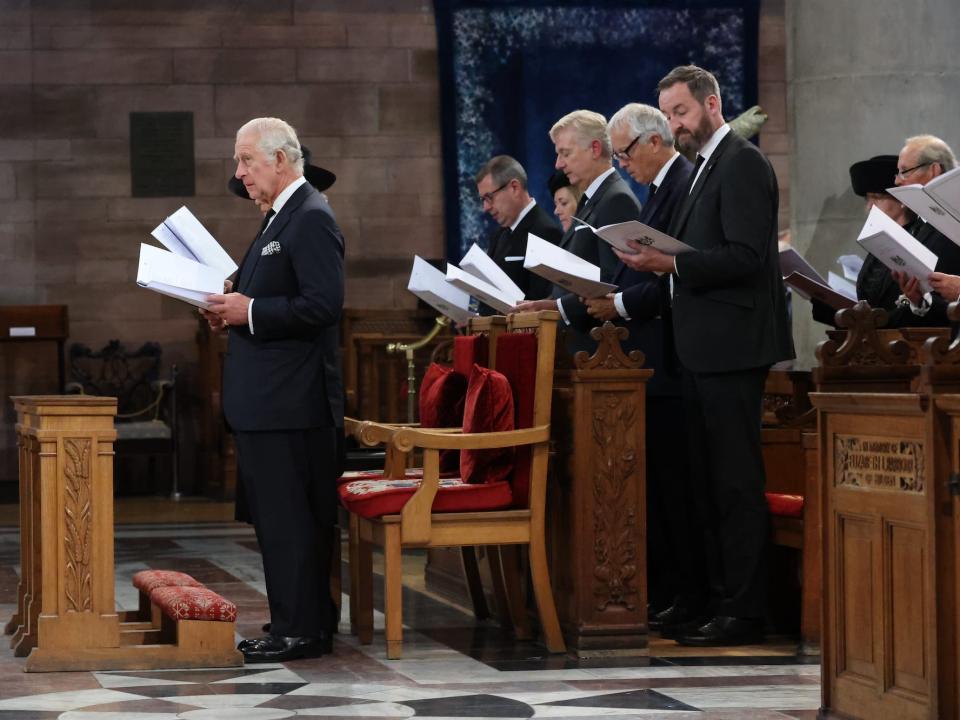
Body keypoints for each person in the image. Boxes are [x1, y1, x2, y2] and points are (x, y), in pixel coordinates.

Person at [617, 65, 794, 646]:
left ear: (712, 103)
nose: (675, 124)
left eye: (682, 112)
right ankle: (717, 601)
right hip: (703, 346)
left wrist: (672, 264)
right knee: (707, 483)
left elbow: (747, 255)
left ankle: (744, 610)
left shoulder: (741, 162)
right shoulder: (704, 168)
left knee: (735, 483)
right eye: (668, 115)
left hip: (732, 346)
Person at [201, 117, 345, 663]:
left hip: (293, 402)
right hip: (270, 402)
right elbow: (274, 294)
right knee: (277, 519)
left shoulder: (308, 216)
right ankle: (295, 617)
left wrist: (250, 310)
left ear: (280, 160)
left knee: (292, 520)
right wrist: (232, 308)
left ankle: (302, 630)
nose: (239, 174)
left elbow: (323, 306)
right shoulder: (278, 219)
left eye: (246, 162)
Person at [577, 102, 698, 623]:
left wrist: (620, 302)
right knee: (664, 489)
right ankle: (674, 592)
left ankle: (686, 594)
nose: (623, 163)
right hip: (654, 356)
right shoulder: (656, 190)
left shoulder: (680, 185)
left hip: (672, 355)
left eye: (625, 152)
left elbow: (674, 271)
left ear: (654, 142)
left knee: (678, 489)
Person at [515, 110, 642, 351]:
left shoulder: (616, 200)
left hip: (601, 353)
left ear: (594, 149)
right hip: (582, 347)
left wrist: (557, 308)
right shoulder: (593, 199)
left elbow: (614, 283)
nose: (558, 164)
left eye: (565, 153)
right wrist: (551, 303)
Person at [811, 154, 916, 326]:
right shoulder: (880, 244)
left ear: (901, 200)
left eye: (877, 197)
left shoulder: (919, 239)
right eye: (868, 199)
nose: (869, 207)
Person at [883, 136, 960, 323]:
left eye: (904, 172)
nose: (898, 181)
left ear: (934, 170)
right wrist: (919, 299)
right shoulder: (920, 223)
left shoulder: (952, 219)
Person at [474, 155, 562, 302]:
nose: (486, 207)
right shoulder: (499, 234)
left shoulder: (546, 232)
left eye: (489, 197)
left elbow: (542, 301)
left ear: (514, 188)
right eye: (483, 200)